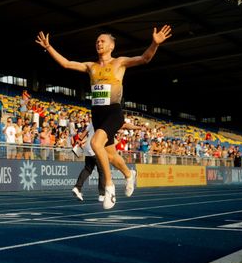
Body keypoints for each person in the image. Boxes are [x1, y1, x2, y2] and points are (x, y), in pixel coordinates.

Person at [36, 25, 172, 209]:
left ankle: (109, 186)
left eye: (102, 41)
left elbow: (144, 58)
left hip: (114, 111)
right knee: (112, 155)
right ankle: (129, 174)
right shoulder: (90, 66)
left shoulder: (119, 62)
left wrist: (154, 44)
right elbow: (66, 63)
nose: (99, 43)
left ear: (111, 46)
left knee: (95, 144)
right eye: (97, 41)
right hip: (97, 114)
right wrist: (49, 47)